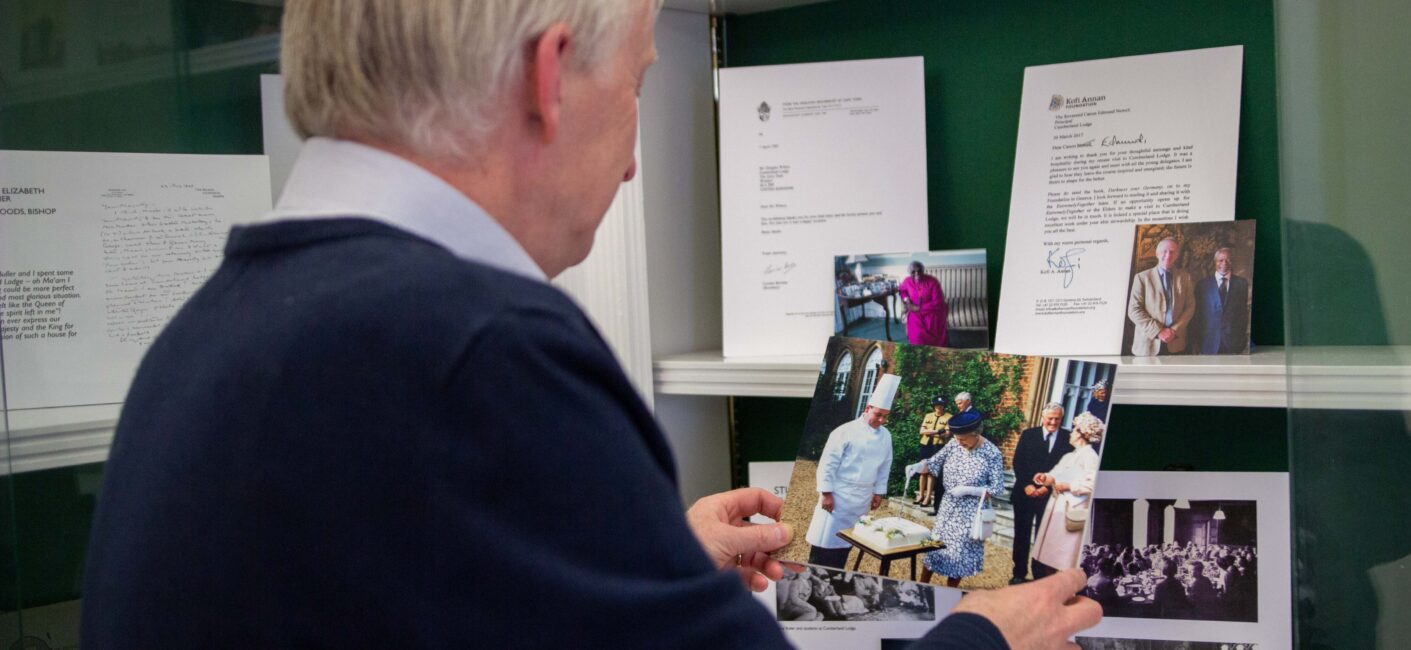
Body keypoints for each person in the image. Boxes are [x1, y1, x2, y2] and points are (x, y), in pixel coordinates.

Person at [80, 1, 1104, 647]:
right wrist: (982, 640)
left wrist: (645, 563)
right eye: (639, 84)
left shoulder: (214, 328)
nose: (629, 160)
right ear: (547, 74)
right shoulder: (480, 346)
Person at [806, 375, 901, 569]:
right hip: (838, 495)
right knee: (825, 542)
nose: (881, 420)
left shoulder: (886, 436)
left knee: (847, 542)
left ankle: (836, 577)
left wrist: (878, 492)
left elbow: (885, 465)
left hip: (862, 498)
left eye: (885, 416)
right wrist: (826, 493)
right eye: (878, 415)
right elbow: (828, 463)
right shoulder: (845, 431)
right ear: (868, 409)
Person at [915, 411, 1006, 588]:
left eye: (963, 439)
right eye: (956, 438)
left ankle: (948, 594)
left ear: (976, 434)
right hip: (948, 507)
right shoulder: (954, 443)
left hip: (970, 513)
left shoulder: (992, 453)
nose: (959, 442)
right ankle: (921, 586)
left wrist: (969, 490)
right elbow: (934, 461)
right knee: (933, 547)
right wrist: (918, 466)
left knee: (958, 555)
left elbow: (997, 488)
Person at [1030, 412, 1105, 579]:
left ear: (1082, 433)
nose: (1070, 433)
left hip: (1071, 510)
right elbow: (1055, 474)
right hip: (1057, 509)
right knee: (1050, 556)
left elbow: (1093, 483)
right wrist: (1045, 478)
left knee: (1063, 558)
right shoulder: (1070, 455)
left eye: (1074, 430)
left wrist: (1070, 486)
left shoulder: (1090, 456)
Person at [1009, 403, 1072, 584]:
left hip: (1049, 496)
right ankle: (1019, 573)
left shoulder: (1068, 438)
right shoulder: (1029, 435)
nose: (1053, 422)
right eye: (1050, 418)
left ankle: (1039, 574)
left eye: (1057, 418)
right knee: (1021, 534)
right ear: (1042, 418)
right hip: (1024, 494)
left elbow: (1067, 468)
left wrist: (1047, 487)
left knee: (1043, 537)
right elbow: (1018, 462)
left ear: (1061, 418)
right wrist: (1027, 485)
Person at [1127, 236, 1194, 356]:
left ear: (1177, 255)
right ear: (1157, 254)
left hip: (1176, 342)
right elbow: (1133, 310)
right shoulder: (1142, 278)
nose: (1168, 255)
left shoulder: (1185, 277)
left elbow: (1190, 307)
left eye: (1172, 252)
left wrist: (1174, 330)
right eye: (1165, 251)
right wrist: (1159, 331)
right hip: (1148, 344)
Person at [1192, 247, 1250, 354]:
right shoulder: (1202, 285)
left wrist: (1241, 338)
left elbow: (1243, 313)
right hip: (1208, 342)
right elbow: (1197, 315)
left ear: (1232, 262)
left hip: (1234, 343)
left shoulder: (1242, 283)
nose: (1224, 263)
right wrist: (1196, 342)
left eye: (1228, 260)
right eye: (1220, 260)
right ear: (1215, 262)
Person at [898, 260, 949, 346]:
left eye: (919, 271)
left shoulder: (933, 281)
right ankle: (919, 349)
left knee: (932, 325)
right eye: (913, 272)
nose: (917, 273)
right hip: (914, 310)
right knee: (917, 331)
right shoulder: (907, 281)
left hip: (932, 310)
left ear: (923, 270)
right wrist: (907, 299)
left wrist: (919, 308)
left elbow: (938, 302)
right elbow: (902, 290)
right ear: (909, 273)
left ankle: (934, 348)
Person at [916, 396, 953, 507]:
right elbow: (922, 431)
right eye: (937, 405)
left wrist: (930, 432)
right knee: (923, 471)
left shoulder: (949, 417)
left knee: (931, 472)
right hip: (925, 444)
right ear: (934, 406)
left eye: (941, 405)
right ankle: (921, 495)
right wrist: (937, 431)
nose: (939, 407)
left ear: (944, 406)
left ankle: (927, 498)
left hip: (937, 446)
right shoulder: (928, 416)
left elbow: (947, 434)